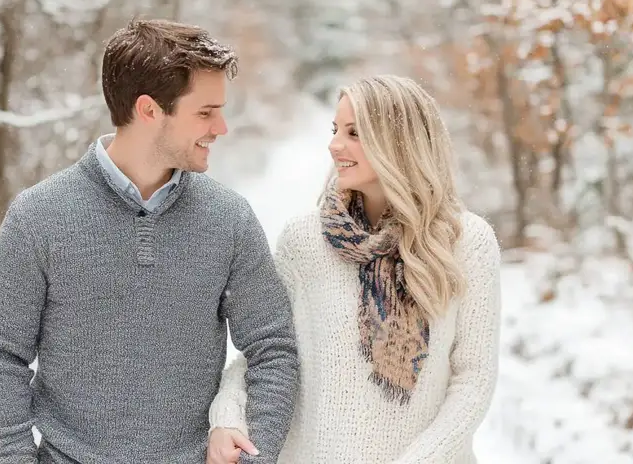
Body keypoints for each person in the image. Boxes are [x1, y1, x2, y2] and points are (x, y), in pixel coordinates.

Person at [0, 18, 300, 464]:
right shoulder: (38, 217)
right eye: (205, 112)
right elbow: (1, 357)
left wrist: (253, 457)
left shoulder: (229, 220)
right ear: (149, 110)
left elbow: (273, 348)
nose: (221, 128)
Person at [205, 75, 502, 464]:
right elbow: (267, 351)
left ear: (398, 141)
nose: (334, 144)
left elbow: (473, 381)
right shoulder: (305, 242)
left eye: (354, 132)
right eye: (335, 130)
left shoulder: (467, 244)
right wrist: (226, 418)